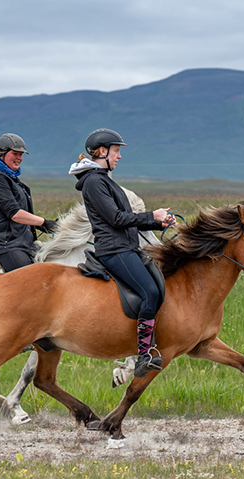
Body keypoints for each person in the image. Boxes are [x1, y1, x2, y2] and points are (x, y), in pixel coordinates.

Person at [70, 128, 174, 377]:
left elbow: (126, 219)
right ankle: (142, 356)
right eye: (116, 151)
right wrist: (152, 215)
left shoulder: (103, 179)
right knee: (149, 291)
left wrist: (156, 223)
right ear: (102, 152)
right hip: (114, 250)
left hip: (126, 247)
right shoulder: (95, 181)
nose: (119, 156)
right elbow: (116, 219)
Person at [0, 133, 57, 272]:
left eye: (21, 155)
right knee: (31, 278)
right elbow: (15, 214)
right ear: (1, 154)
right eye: (15, 154)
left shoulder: (10, 177)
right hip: (1, 245)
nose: (19, 158)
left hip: (16, 242)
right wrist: (43, 222)